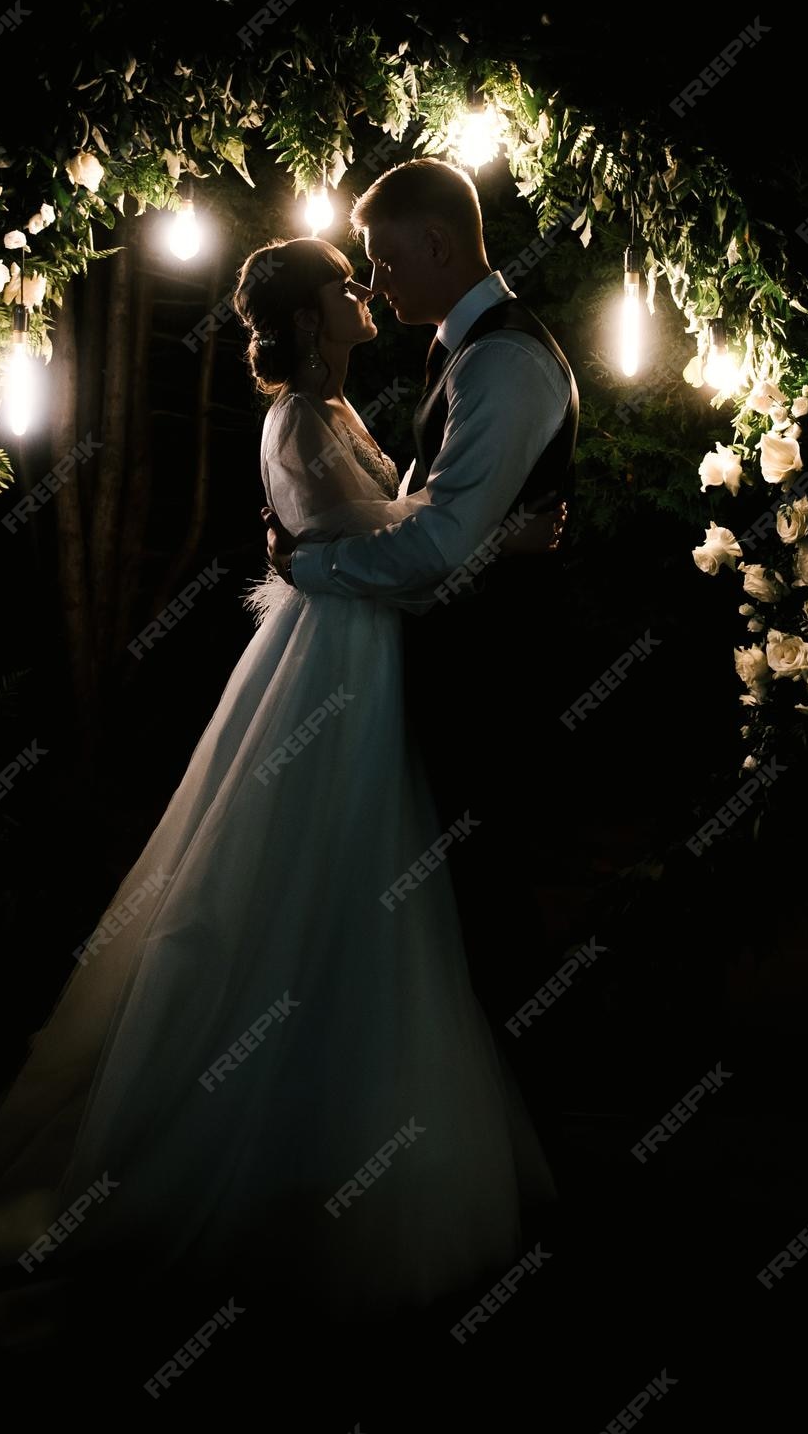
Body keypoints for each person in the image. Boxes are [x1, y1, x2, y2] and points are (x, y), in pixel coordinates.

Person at [0, 235, 560, 1321]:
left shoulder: (344, 414)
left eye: (370, 277)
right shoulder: (297, 421)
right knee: (301, 877)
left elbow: (410, 527)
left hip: (364, 660)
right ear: (309, 318)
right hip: (332, 674)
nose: (366, 293)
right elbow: (367, 540)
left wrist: (479, 534)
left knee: (352, 884)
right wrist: (495, 538)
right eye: (346, 287)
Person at [265, 160, 580, 1091]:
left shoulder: (504, 359)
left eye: (383, 258)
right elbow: (436, 517)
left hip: (485, 683)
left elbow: (436, 544)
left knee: (481, 906)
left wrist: (306, 568)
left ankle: (514, 1126)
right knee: (450, 905)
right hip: (440, 674)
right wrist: (504, 539)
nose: (373, 281)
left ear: (436, 243)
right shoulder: (462, 350)